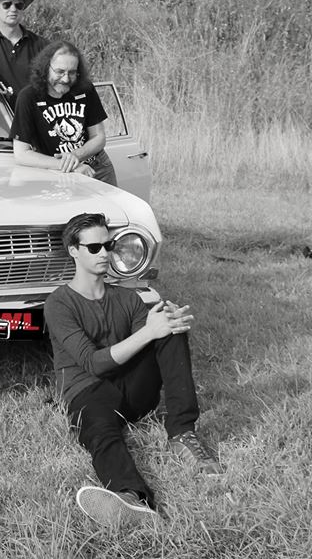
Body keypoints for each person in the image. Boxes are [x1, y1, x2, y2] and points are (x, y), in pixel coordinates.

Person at [45, 213, 223, 527]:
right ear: (73, 251)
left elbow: (151, 341)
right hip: (87, 392)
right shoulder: (59, 304)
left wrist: (164, 323)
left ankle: (182, 433)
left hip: (131, 393)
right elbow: (93, 363)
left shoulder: (126, 297)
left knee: (168, 329)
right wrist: (149, 331)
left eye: (108, 245)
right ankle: (131, 498)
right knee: (101, 434)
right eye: (94, 247)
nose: (104, 253)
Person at [10, 41, 118, 185]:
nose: (66, 79)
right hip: (57, 172)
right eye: (60, 72)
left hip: (98, 167)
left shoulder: (85, 89)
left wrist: (75, 156)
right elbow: (21, 154)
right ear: (46, 68)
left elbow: (98, 137)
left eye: (72, 73)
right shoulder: (28, 97)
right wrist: (70, 165)